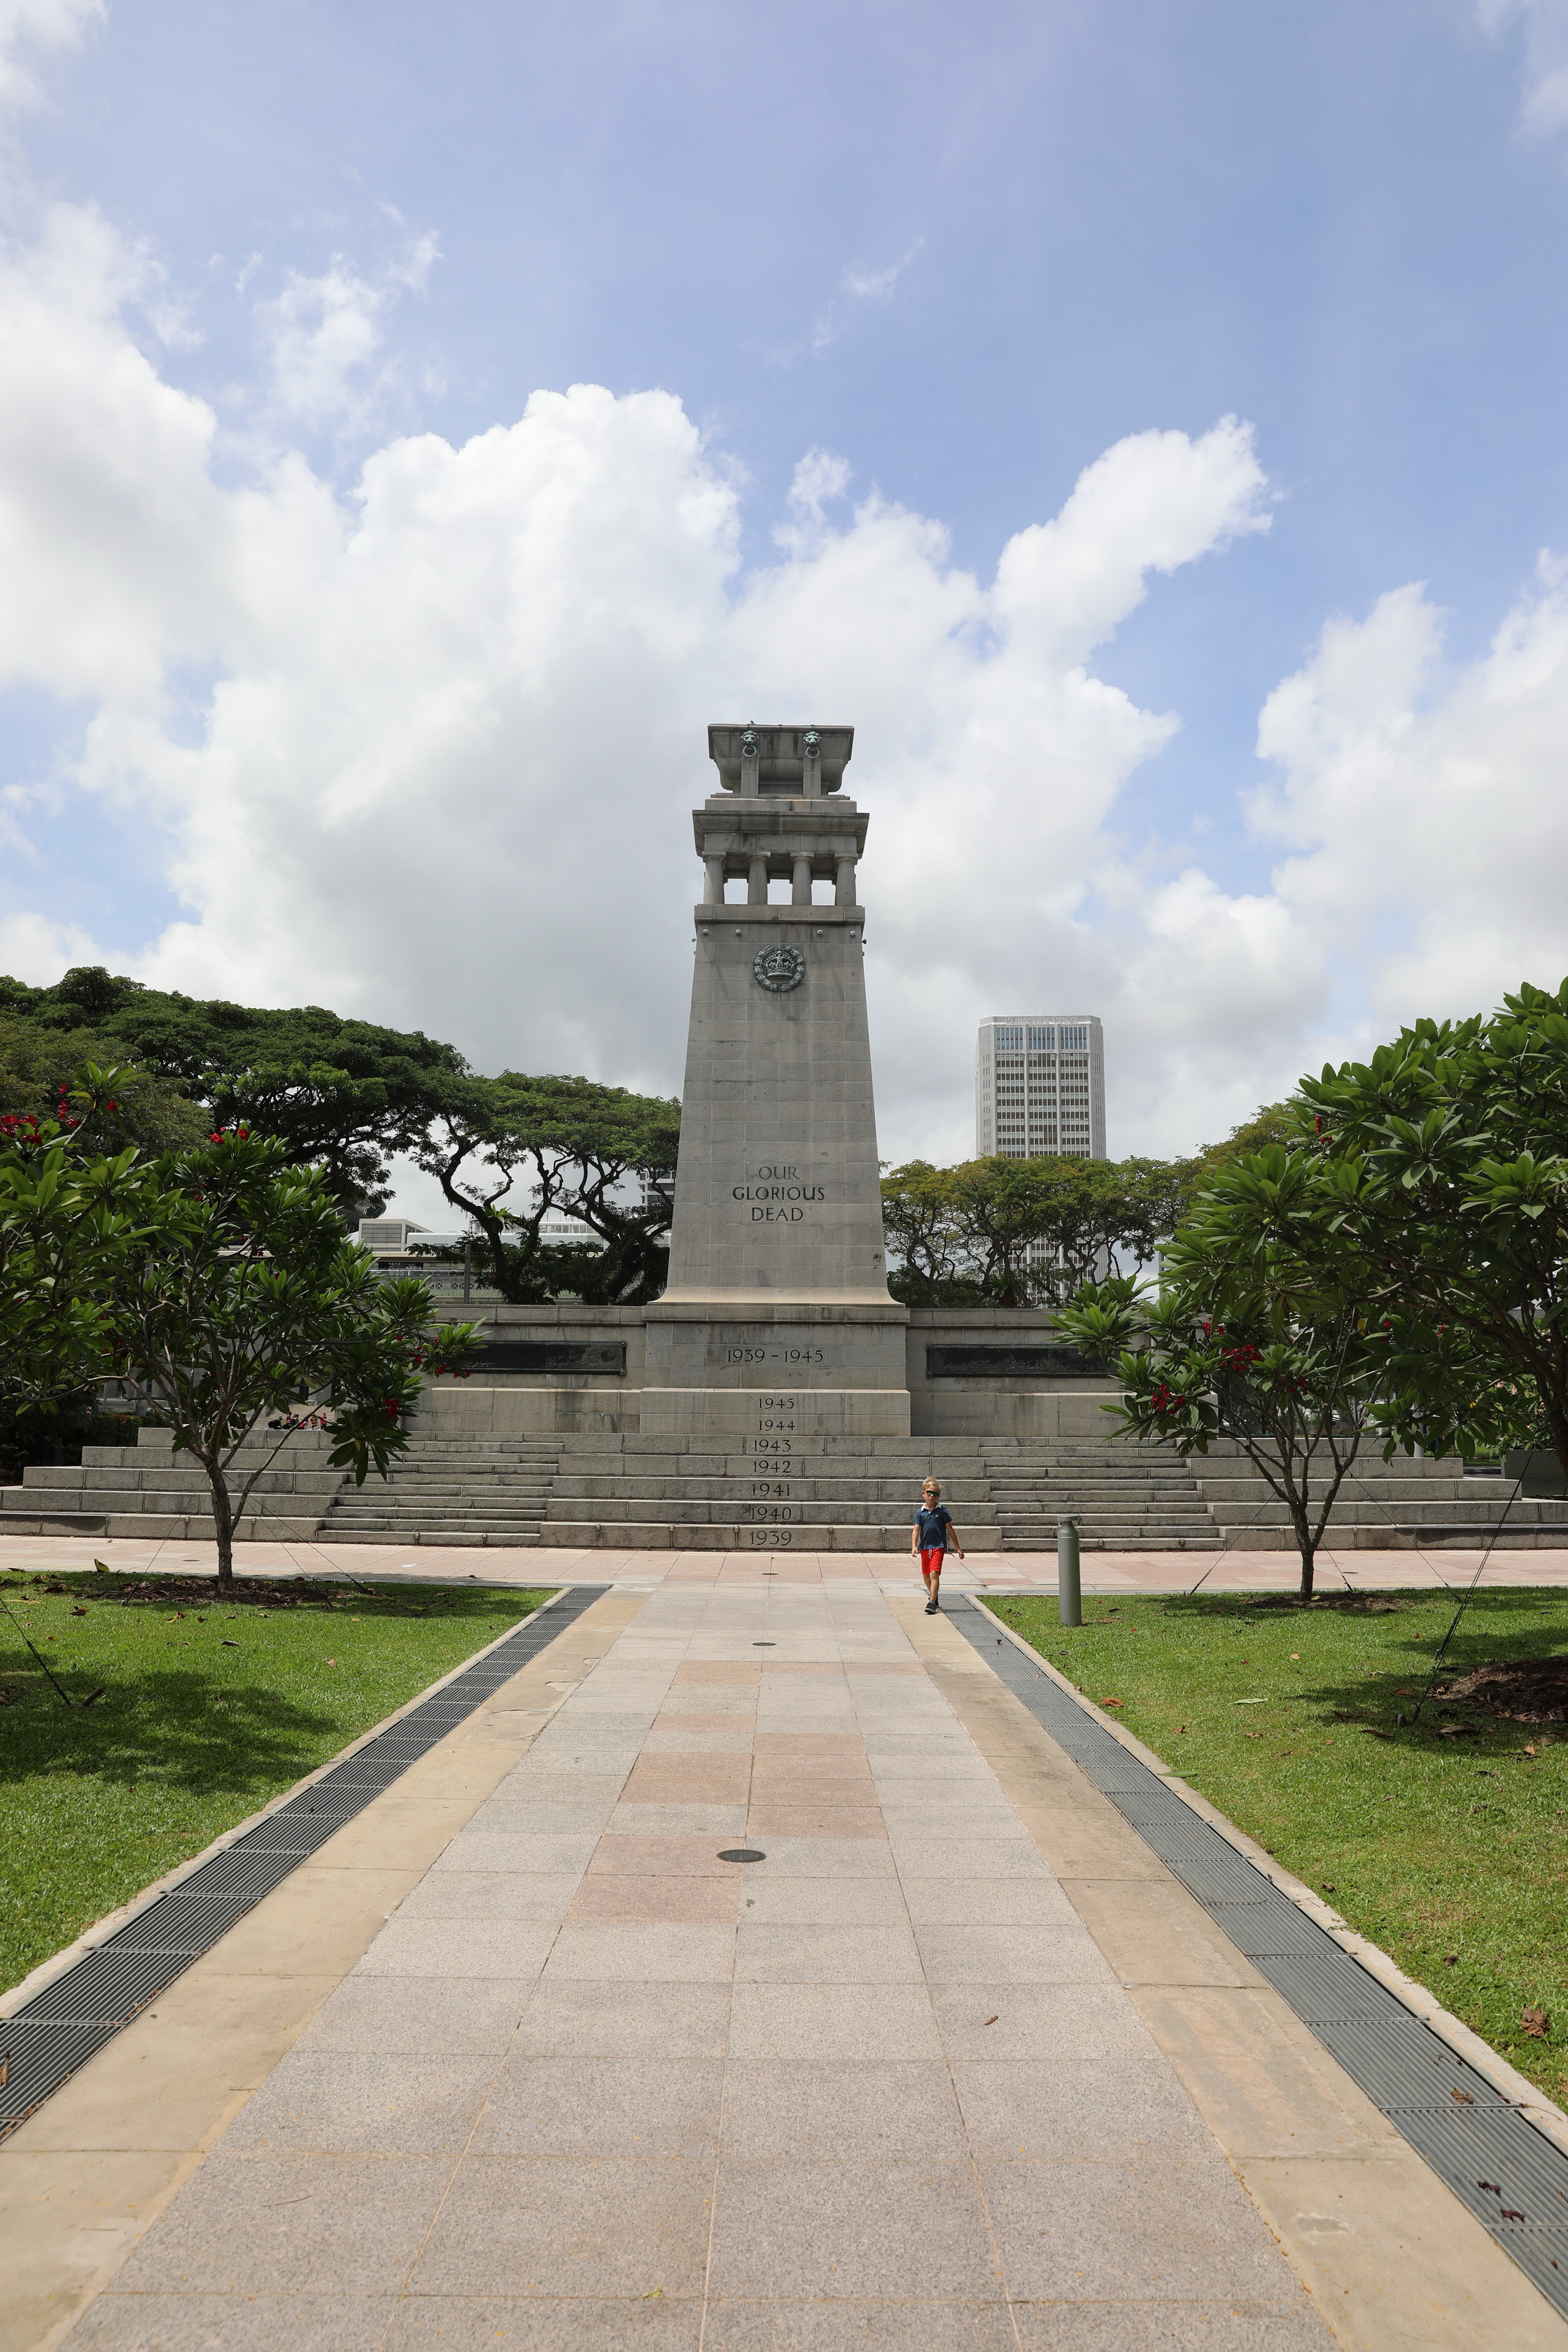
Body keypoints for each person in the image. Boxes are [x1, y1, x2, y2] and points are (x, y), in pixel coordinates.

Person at [911, 1477, 965, 1613]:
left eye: (935, 1494)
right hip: (925, 1547)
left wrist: (957, 1547)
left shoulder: (942, 1511)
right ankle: (935, 1597)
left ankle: (931, 1602)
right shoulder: (920, 1512)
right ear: (923, 1494)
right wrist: (914, 1546)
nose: (931, 1496)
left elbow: (950, 1530)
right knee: (926, 1576)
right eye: (929, 1493)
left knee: (934, 1573)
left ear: (938, 1496)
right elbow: (916, 1529)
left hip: (938, 1547)